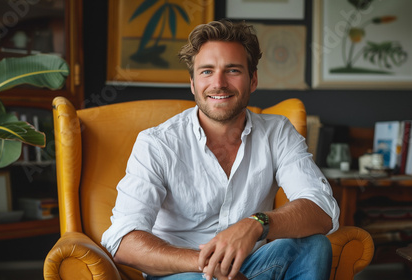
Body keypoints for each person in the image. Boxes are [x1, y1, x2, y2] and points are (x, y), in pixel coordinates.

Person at [101, 20, 340, 280]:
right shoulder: (157, 143)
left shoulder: (277, 132)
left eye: (233, 70)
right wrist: (207, 265)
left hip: (251, 268)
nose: (219, 83)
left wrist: (256, 224)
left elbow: (322, 208)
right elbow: (123, 241)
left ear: (253, 79)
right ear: (192, 83)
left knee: (314, 247)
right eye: (206, 71)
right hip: (185, 272)